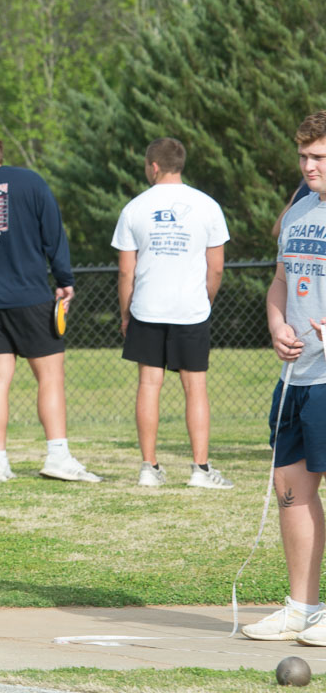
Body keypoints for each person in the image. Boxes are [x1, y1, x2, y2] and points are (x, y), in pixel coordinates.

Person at [0, 128, 100, 483]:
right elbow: (53, 234)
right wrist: (64, 280)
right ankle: (57, 456)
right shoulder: (30, 181)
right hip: (30, 294)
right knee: (50, 377)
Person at [242, 111, 326, 643]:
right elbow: (280, 281)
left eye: (319, 157)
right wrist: (277, 323)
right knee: (290, 486)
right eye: (304, 157)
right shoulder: (299, 213)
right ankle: (302, 608)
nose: (309, 165)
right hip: (297, 375)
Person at [111, 137, 232, 489]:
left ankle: (149, 468)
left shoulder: (134, 208)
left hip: (147, 308)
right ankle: (201, 469)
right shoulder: (207, 206)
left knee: (149, 384)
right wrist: (204, 301)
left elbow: (125, 273)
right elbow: (217, 268)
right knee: (196, 388)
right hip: (191, 310)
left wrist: (125, 314)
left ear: (153, 166)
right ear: (180, 164)